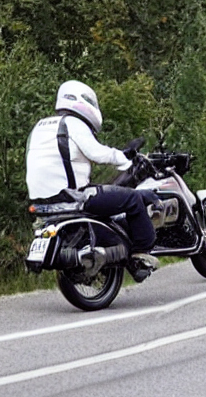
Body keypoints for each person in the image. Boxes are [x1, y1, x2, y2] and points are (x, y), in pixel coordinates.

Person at [25, 80, 159, 281]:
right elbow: (97, 154)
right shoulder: (73, 123)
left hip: (42, 204)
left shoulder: (41, 126)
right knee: (132, 199)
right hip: (73, 198)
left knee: (107, 195)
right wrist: (124, 159)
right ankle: (141, 254)